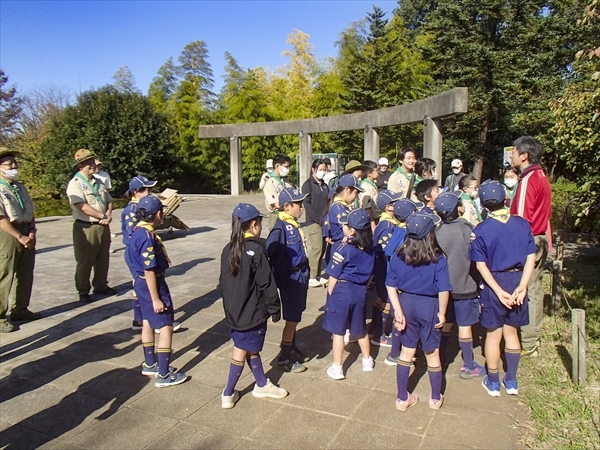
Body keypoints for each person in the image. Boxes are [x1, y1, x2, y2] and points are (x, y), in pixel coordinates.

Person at [469, 181, 536, 396]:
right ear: (505, 200)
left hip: (494, 284)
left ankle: (493, 381)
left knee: (493, 335)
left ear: (484, 205)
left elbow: (481, 265)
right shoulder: (522, 224)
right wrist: (523, 286)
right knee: (512, 333)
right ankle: (512, 380)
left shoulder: (481, 230)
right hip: (517, 281)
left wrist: (498, 292)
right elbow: (530, 257)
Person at [219, 203, 288, 408]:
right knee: (241, 349)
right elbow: (266, 282)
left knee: (249, 348)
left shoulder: (227, 249)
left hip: (233, 311)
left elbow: (222, 282)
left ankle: (261, 383)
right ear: (254, 224)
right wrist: (275, 308)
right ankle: (228, 392)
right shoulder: (256, 250)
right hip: (252, 312)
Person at [386, 211, 451, 411]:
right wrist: (442, 312)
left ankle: (402, 397)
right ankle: (434, 397)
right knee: (432, 352)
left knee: (406, 352)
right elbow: (444, 288)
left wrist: (397, 310)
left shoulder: (399, 255)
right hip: (429, 305)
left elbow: (390, 284)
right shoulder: (437, 257)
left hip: (406, 303)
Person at [128, 195, 188, 387]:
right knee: (166, 326)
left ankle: (149, 362)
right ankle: (163, 374)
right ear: (158, 214)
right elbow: (150, 269)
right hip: (152, 284)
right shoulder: (147, 238)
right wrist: (156, 298)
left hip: (141, 283)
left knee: (147, 322)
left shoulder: (136, 231)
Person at [509, 136, 552, 358]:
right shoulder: (541, 175)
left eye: (515, 151)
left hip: (530, 239)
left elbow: (522, 219)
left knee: (528, 289)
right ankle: (533, 335)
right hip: (540, 237)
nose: (512, 155)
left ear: (524, 155)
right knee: (536, 288)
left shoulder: (528, 180)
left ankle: (528, 340)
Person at [434, 192, 485, 377]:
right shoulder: (467, 229)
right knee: (465, 326)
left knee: (445, 322)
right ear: (459, 209)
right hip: (465, 286)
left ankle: (439, 356)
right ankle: (469, 365)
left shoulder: (437, 230)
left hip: (443, 289)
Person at [323, 209, 376, 380]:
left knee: (339, 331)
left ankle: (337, 367)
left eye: (346, 225)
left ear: (352, 230)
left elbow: (334, 275)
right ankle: (367, 360)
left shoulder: (342, 247)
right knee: (359, 328)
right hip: (360, 290)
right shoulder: (371, 248)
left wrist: (330, 293)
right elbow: (371, 274)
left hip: (342, 290)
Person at [267, 188, 311, 373]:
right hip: (291, 278)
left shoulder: (293, 224)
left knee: (297, 314)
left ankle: (291, 347)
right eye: (298, 204)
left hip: (300, 274)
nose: (302, 208)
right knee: (292, 319)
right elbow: (271, 250)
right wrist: (281, 277)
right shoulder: (280, 227)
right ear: (287, 206)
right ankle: (284, 358)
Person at [66, 149, 116, 303]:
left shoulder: (98, 181)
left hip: (102, 224)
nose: (93, 165)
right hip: (86, 226)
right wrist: (101, 216)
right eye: (89, 162)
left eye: (93, 161)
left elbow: (108, 200)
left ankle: (101, 285)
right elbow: (81, 205)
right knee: (85, 260)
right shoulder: (76, 184)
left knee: (103, 257)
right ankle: (83, 290)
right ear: (81, 165)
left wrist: (107, 214)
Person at [0, 147, 39, 333]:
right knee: (5, 274)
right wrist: (19, 236)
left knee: (26, 273)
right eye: (9, 164)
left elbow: (30, 210)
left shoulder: (20, 186)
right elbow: (1, 218)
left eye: (15, 163)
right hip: (9, 233)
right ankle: (0, 317)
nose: (14, 166)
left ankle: (21, 309)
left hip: (26, 231)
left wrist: (31, 231)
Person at [383, 198, 422, 366]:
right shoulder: (406, 232)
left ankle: (395, 352)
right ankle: (395, 353)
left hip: (396, 279)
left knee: (398, 316)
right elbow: (393, 252)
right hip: (401, 281)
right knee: (401, 317)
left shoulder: (398, 228)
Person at [370, 189, 402, 348]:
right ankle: (379, 335)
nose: (397, 205)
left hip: (383, 268)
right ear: (388, 207)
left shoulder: (390, 222)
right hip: (384, 268)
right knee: (386, 302)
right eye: (394, 202)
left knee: (380, 299)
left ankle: (374, 328)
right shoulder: (386, 225)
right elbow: (385, 251)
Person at [323, 175, 363, 265]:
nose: (356, 197)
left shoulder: (343, 206)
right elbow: (347, 232)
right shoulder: (339, 208)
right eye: (356, 193)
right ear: (347, 190)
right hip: (341, 247)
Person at [301, 159, 329, 288]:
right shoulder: (308, 184)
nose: (323, 172)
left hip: (324, 222)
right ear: (314, 169)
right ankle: (311, 276)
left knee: (323, 248)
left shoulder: (324, 185)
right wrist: (317, 218)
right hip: (313, 221)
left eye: (325, 169)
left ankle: (317, 274)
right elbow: (306, 203)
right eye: (321, 169)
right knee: (316, 248)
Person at [263, 154, 292, 230]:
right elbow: (277, 204)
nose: (287, 169)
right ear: (277, 166)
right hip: (276, 216)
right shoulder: (270, 182)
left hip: (286, 215)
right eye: (286, 167)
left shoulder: (284, 182)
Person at [359, 160, 381, 229]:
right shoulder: (365, 186)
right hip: (371, 220)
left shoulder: (372, 184)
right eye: (376, 170)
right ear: (369, 173)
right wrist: (372, 224)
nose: (378, 172)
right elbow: (367, 207)